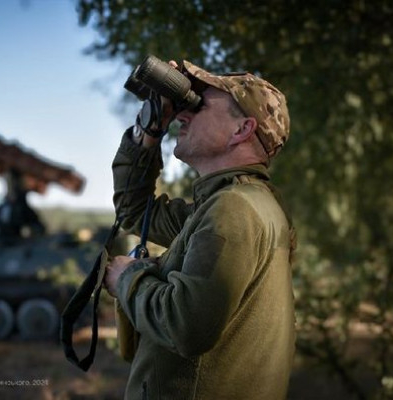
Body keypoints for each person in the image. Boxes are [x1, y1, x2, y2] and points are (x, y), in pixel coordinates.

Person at [103, 59, 296, 400]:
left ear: (242, 130)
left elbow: (186, 325)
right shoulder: (242, 203)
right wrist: (148, 130)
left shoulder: (234, 208)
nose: (181, 115)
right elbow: (135, 212)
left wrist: (126, 278)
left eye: (199, 106)